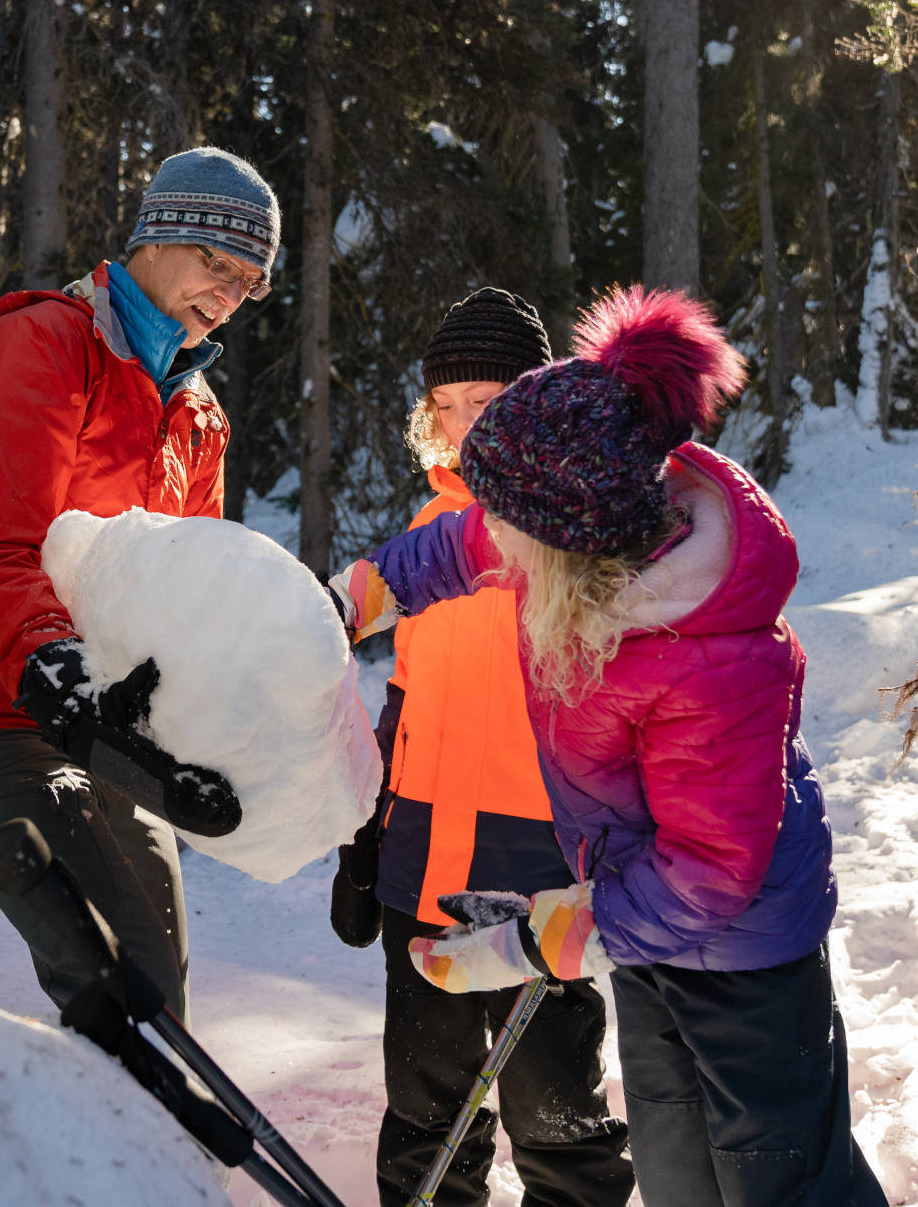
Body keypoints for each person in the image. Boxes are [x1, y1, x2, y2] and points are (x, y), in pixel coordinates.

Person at [328, 287, 888, 1207]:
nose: (493, 544)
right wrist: (340, 606)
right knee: (678, 1176)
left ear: (567, 543)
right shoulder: (571, 532)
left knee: (776, 1182)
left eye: (508, 530)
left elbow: (710, 873)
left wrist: (535, 942)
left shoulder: (701, 658)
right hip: (646, 936)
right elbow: (454, 548)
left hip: (746, 961)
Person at [0, 146, 279, 1020]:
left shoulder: (198, 413)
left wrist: (192, 746)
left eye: (249, 281)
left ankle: (121, 1108)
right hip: (6, 711)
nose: (227, 293)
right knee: (128, 987)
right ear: (154, 236)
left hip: (108, 727)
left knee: (157, 989)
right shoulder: (40, 347)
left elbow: (184, 598)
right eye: (215, 261)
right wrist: (61, 680)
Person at [331, 289, 634, 1207]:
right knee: (424, 1105)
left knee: (554, 1107)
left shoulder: (575, 528)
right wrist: (367, 832)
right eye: (448, 404)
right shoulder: (426, 530)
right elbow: (407, 693)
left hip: (535, 861)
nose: (465, 424)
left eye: (487, 400)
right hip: (422, 856)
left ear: (535, 401)